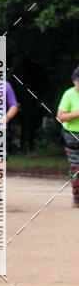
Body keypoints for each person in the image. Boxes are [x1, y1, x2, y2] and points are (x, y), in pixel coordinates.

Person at [56, 65, 79, 207]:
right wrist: (76, 113)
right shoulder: (69, 94)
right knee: (75, 167)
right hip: (71, 135)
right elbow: (60, 117)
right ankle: (76, 193)